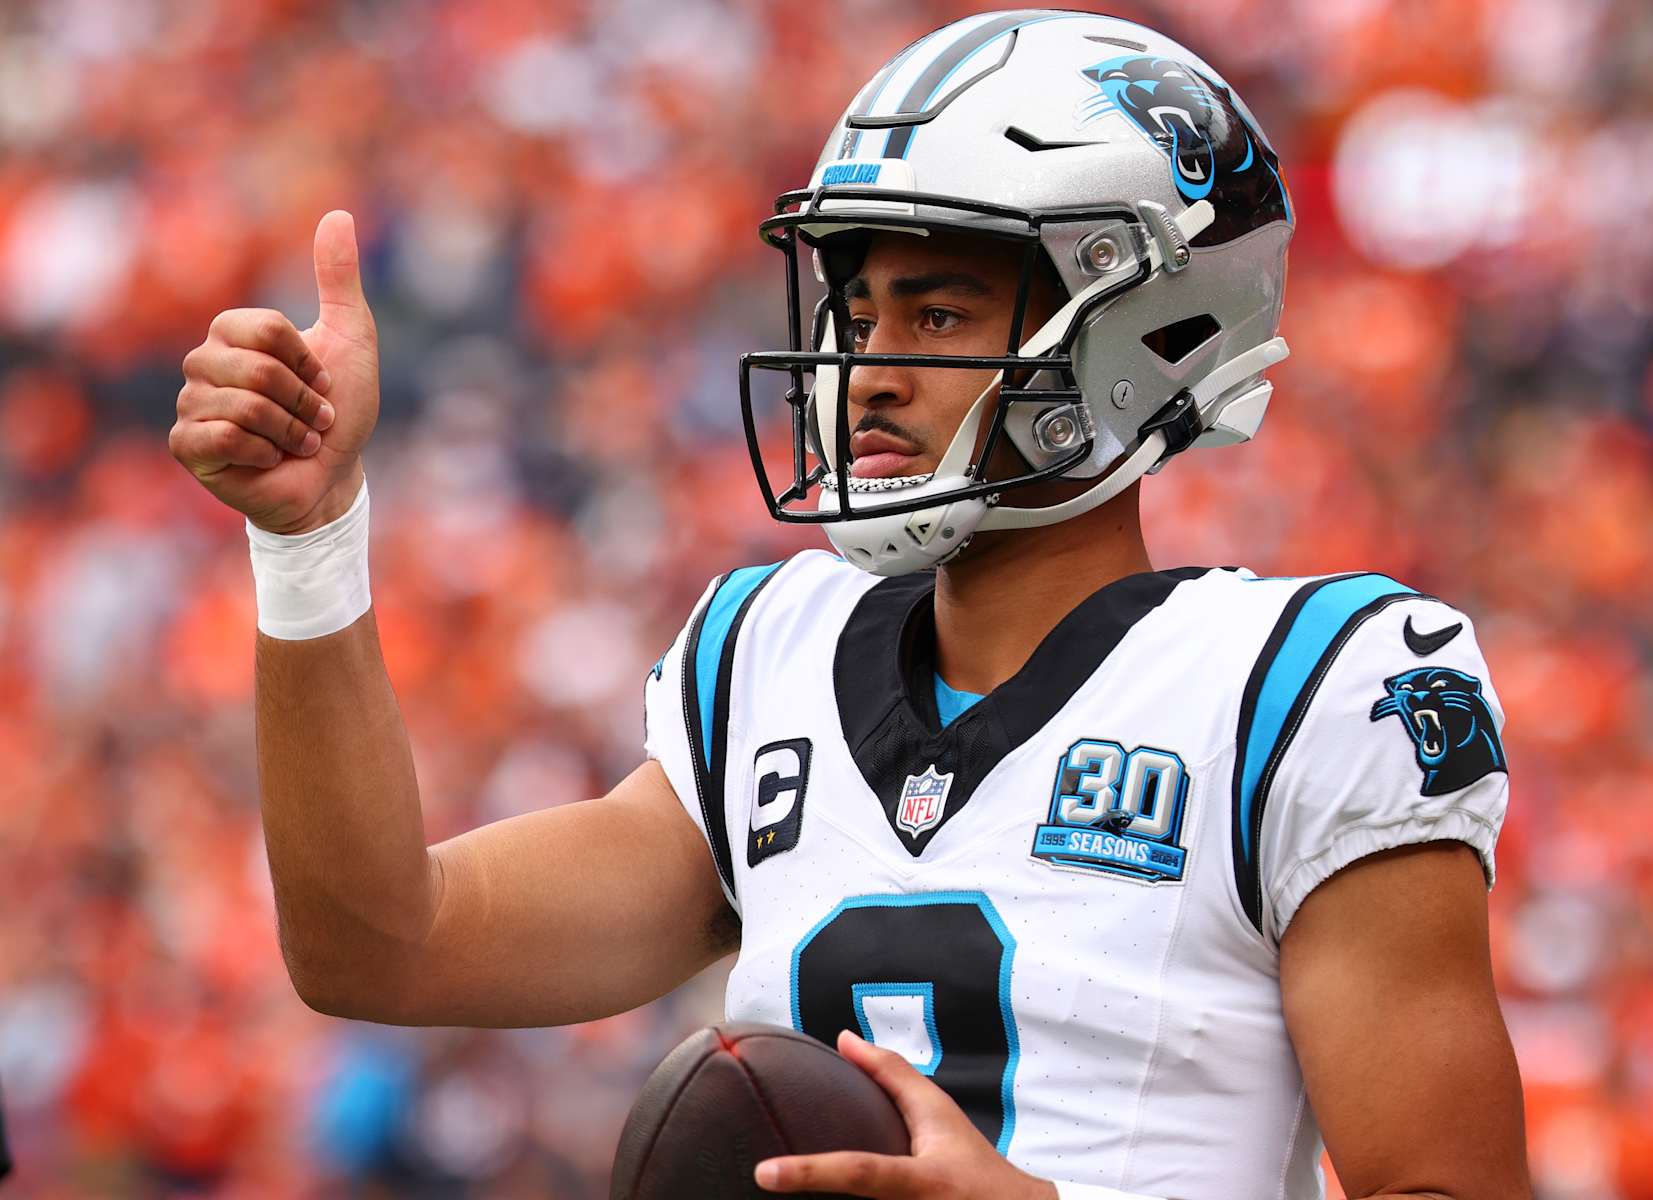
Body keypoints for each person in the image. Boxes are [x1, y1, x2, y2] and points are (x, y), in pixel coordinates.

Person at [168, 12, 1528, 1200]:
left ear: (1146, 331)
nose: (867, 370)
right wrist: (310, 542)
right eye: (859, 313)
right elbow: (377, 948)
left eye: (937, 317)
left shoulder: (1305, 688)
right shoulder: (767, 652)